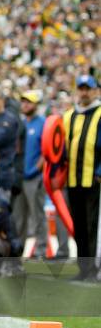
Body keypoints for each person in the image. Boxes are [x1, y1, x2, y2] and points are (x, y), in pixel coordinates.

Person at [63, 75, 101, 280]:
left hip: (93, 179)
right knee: (78, 225)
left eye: (88, 88)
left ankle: (94, 268)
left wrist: (99, 173)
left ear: (95, 91)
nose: (84, 92)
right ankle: (83, 267)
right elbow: (60, 148)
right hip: (73, 178)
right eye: (81, 88)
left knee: (92, 224)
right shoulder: (69, 115)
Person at [12, 91, 47, 257]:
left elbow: (47, 152)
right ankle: (19, 251)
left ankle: (40, 250)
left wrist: (36, 170)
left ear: (36, 104)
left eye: (29, 102)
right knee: (19, 218)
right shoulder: (20, 123)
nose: (25, 105)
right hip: (19, 177)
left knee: (37, 216)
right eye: (23, 101)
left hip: (34, 177)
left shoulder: (43, 123)